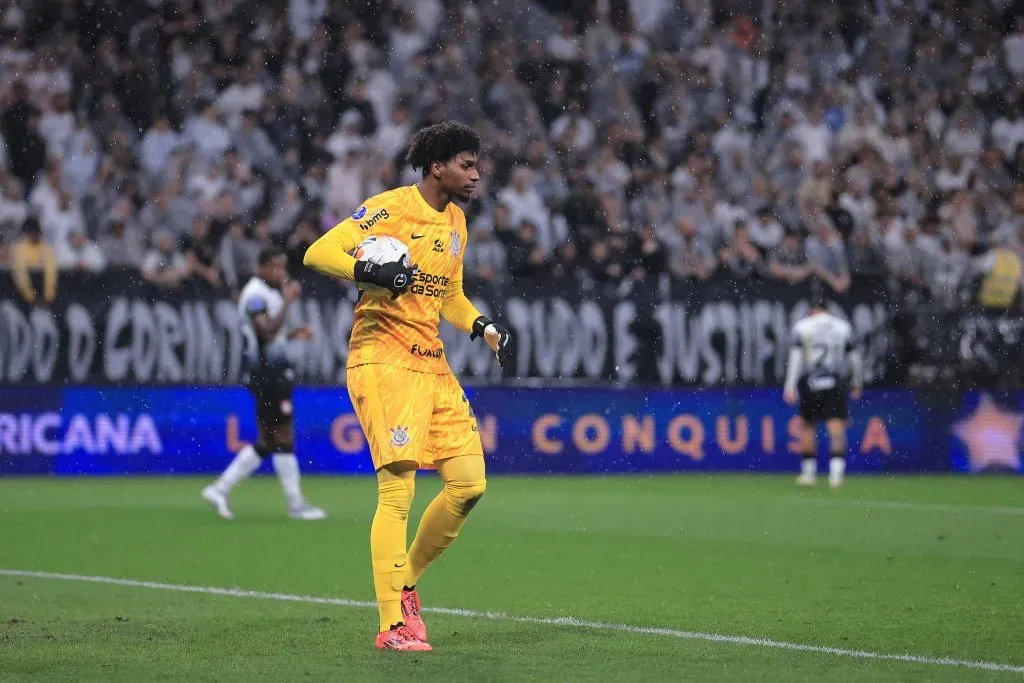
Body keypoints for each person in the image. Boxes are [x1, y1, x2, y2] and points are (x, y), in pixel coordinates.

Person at [303, 122, 514, 652]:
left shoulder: (457, 221)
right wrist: (367, 265)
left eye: (476, 164)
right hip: (382, 357)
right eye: (466, 164)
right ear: (437, 166)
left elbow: (450, 295)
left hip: (433, 361)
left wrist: (482, 327)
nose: (476, 173)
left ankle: (407, 582)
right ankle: (392, 625)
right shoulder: (390, 207)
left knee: (469, 484)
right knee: (397, 490)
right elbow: (318, 253)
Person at [201, 247, 326, 521]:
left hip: (270, 373)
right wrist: (289, 301)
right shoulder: (255, 294)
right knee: (283, 436)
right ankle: (295, 504)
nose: (281, 274)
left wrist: (294, 333)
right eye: (275, 268)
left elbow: (273, 333)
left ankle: (219, 489)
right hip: (268, 375)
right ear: (262, 267)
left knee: (269, 440)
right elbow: (265, 331)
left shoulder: (268, 293)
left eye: (283, 268)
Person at [782, 295, 862, 488]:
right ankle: (836, 477)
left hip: (811, 382)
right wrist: (857, 382)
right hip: (834, 382)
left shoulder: (803, 327)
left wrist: (790, 386)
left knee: (808, 428)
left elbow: (796, 358)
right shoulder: (843, 327)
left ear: (812, 310)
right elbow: (855, 358)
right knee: (836, 429)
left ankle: (808, 475)